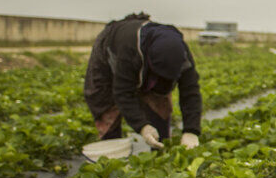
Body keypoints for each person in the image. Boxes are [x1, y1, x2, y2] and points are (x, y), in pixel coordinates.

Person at [83, 12, 202, 149]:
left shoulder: (181, 53)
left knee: (160, 101)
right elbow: (122, 92)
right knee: (105, 104)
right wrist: (142, 126)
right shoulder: (129, 50)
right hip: (110, 51)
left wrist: (191, 130)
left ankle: (160, 150)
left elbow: (190, 91)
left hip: (147, 57)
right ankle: (111, 151)